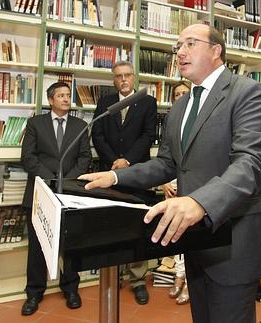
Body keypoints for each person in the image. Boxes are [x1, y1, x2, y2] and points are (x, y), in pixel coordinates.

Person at [80, 24, 261, 323]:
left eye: (190, 43)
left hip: (233, 242)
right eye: (178, 46)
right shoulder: (180, 105)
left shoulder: (248, 93)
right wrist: (116, 177)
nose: (180, 52)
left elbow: (251, 163)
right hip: (194, 241)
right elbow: (168, 164)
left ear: (216, 50)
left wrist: (200, 202)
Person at [20, 82, 91, 316]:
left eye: (68, 95)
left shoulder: (81, 125)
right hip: (40, 193)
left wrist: (65, 183)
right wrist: (50, 180)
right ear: (50, 100)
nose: (65, 99)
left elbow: (84, 158)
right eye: (60, 95)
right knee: (38, 246)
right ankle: (34, 293)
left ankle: (71, 288)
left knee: (70, 246)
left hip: (69, 194)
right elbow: (28, 158)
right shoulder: (35, 124)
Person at [91, 60, 157, 305]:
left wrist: (127, 160)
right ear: (113, 80)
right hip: (108, 172)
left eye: (127, 75)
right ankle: (113, 274)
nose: (124, 80)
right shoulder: (105, 103)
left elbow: (148, 135)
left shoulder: (147, 101)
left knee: (138, 225)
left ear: (134, 76)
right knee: (111, 224)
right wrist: (114, 160)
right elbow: (97, 134)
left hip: (138, 172)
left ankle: (138, 279)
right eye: (119, 76)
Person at [162, 81, 191, 305]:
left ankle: (189, 281)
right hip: (172, 185)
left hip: (193, 189)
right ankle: (179, 275)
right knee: (177, 236)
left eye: (184, 92)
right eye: (176, 94)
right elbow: (165, 159)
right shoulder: (171, 119)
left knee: (191, 237)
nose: (180, 96)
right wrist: (164, 184)